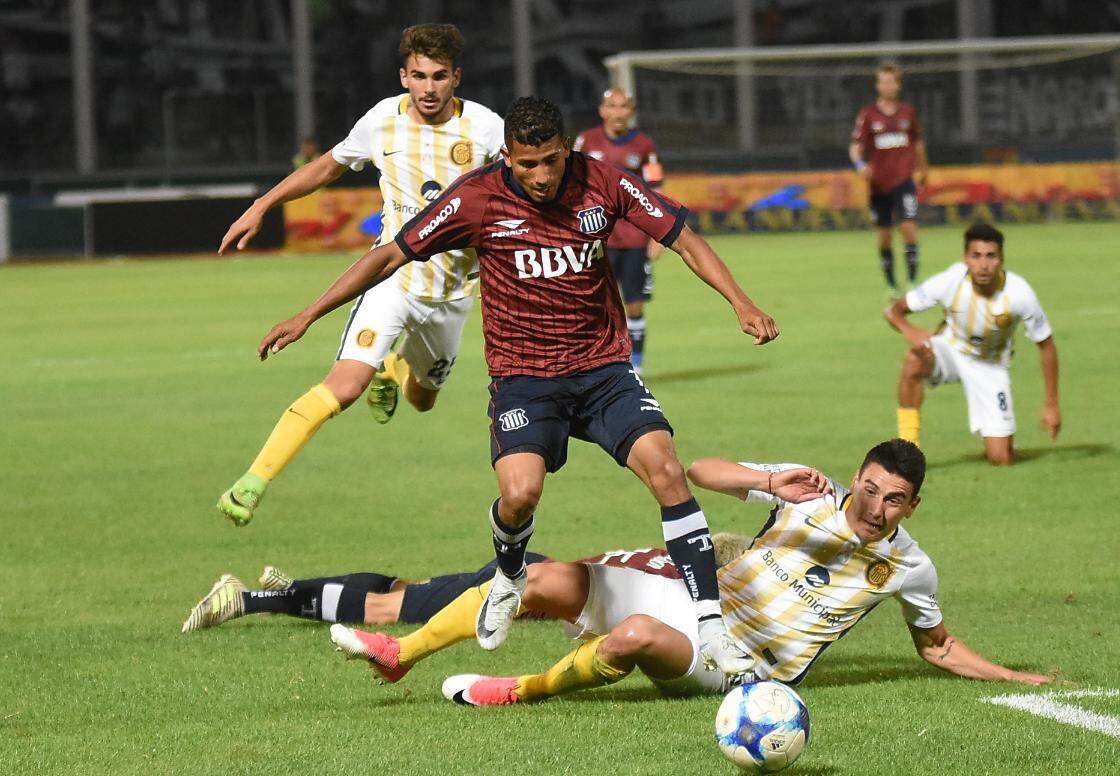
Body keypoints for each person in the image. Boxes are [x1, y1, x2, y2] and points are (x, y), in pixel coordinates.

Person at [255, 97, 779, 675]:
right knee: (520, 494)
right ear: (507, 156)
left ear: (567, 150)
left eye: (551, 161)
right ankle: (508, 577)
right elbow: (389, 257)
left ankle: (711, 626)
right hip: (525, 381)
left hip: (603, 370)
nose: (541, 176)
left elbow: (683, 237)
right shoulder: (475, 198)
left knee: (667, 470)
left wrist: (741, 302)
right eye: (527, 164)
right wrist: (308, 314)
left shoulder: (602, 181)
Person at [328, 440, 1052, 702]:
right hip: (696, 599)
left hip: (740, 660)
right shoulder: (811, 494)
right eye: (868, 489)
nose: (874, 507)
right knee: (540, 578)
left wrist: (1019, 677)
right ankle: (403, 653)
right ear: (856, 477)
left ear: (911, 504)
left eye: (893, 500)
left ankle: (519, 689)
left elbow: (939, 647)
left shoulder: (909, 567)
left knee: (636, 635)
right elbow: (699, 470)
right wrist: (768, 482)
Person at [215, 24, 505, 526]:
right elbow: (328, 167)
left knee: (424, 399)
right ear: (404, 76)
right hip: (392, 279)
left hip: (455, 293)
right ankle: (251, 483)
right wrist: (264, 204)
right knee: (344, 386)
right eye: (419, 76)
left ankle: (394, 369)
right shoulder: (381, 121)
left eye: (439, 76)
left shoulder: (485, 128)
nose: (429, 87)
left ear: (456, 77)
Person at [180, 535, 750, 632]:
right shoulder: (685, 595)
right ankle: (251, 599)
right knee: (385, 609)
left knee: (405, 586)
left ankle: (295, 585)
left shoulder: (663, 560)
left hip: (531, 566)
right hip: (521, 586)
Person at [885, 223, 1060, 466]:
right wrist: (911, 331)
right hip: (951, 350)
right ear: (965, 258)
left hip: (990, 366)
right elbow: (894, 312)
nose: (984, 264)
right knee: (914, 358)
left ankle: (1004, 441)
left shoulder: (1019, 293)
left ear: (1001, 259)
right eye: (976, 256)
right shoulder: (950, 281)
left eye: (991, 256)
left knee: (1001, 459)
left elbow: (1046, 345)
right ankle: (907, 452)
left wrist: (1051, 404)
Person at [573, 88, 665, 374]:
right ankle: (595, 362)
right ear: (602, 110)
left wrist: (658, 235)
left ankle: (635, 367)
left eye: (623, 106)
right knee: (592, 302)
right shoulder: (586, 141)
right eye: (612, 106)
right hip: (595, 237)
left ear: (631, 110)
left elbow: (657, 188)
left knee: (634, 304)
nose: (618, 112)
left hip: (635, 238)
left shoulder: (644, 145)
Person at [849, 63, 929, 297]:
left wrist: (924, 168)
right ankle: (891, 284)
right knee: (884, 236)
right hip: (879, 185)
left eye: (891, 81)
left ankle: (913, 281)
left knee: (909, 227)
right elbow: (856, 147)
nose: (888, 85)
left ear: (898, 84)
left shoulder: (908, 113)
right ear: (877, 85)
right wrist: (860, 164)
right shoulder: (868, 115)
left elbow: (918, 143)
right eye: (883, 81)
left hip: (904, 180)